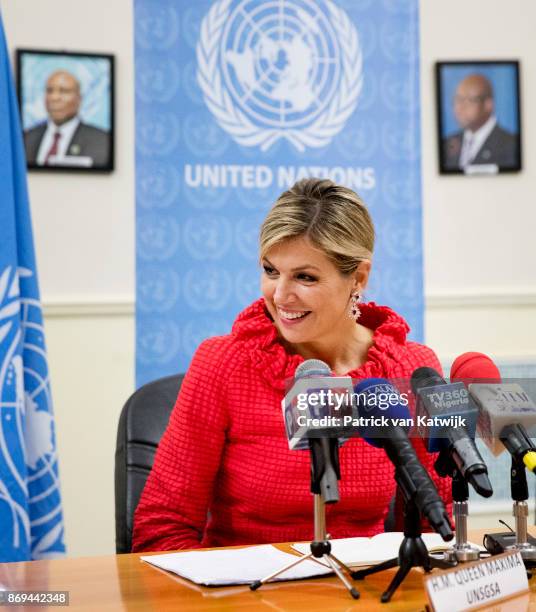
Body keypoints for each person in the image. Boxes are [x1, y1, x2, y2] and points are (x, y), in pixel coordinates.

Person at [132, 178, 451, 552]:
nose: (280, 295)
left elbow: (437, 519)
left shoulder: (413, 368)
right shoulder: (222, 363)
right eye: (271, 271)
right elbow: (161, 526)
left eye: (304, 276)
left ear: (358, 278)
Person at [23, 70, 110, 168]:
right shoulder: (26, 138)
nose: (55, 98)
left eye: (64, 91)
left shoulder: (102, 141)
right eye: (50, 91)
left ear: (79, 99)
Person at [442, 73, 518, 171]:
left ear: (488, 105)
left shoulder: (512, 146)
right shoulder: (447, 144)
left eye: (469, 100)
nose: (459, 108)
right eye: (458, 100)